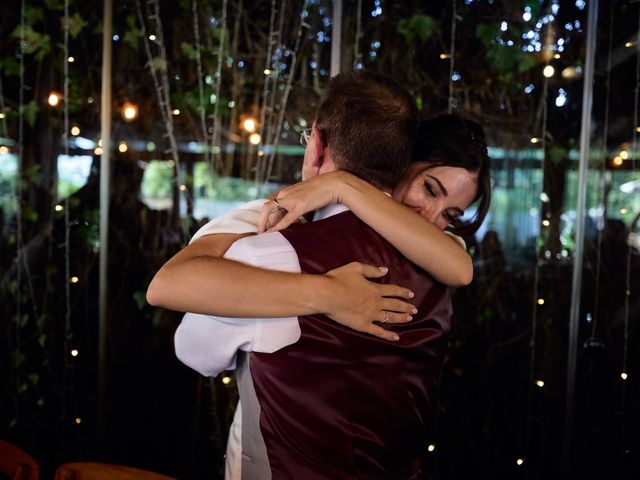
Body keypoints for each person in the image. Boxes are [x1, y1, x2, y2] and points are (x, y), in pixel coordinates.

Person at [147, 72, 491, 477]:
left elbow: (195, 349)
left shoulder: (269, 249)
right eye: (430, 190)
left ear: (317, 143)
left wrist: (342, 185)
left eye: (450, 214)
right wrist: (327, 293)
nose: (432, 218)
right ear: (402, 161)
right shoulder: (432, 267)